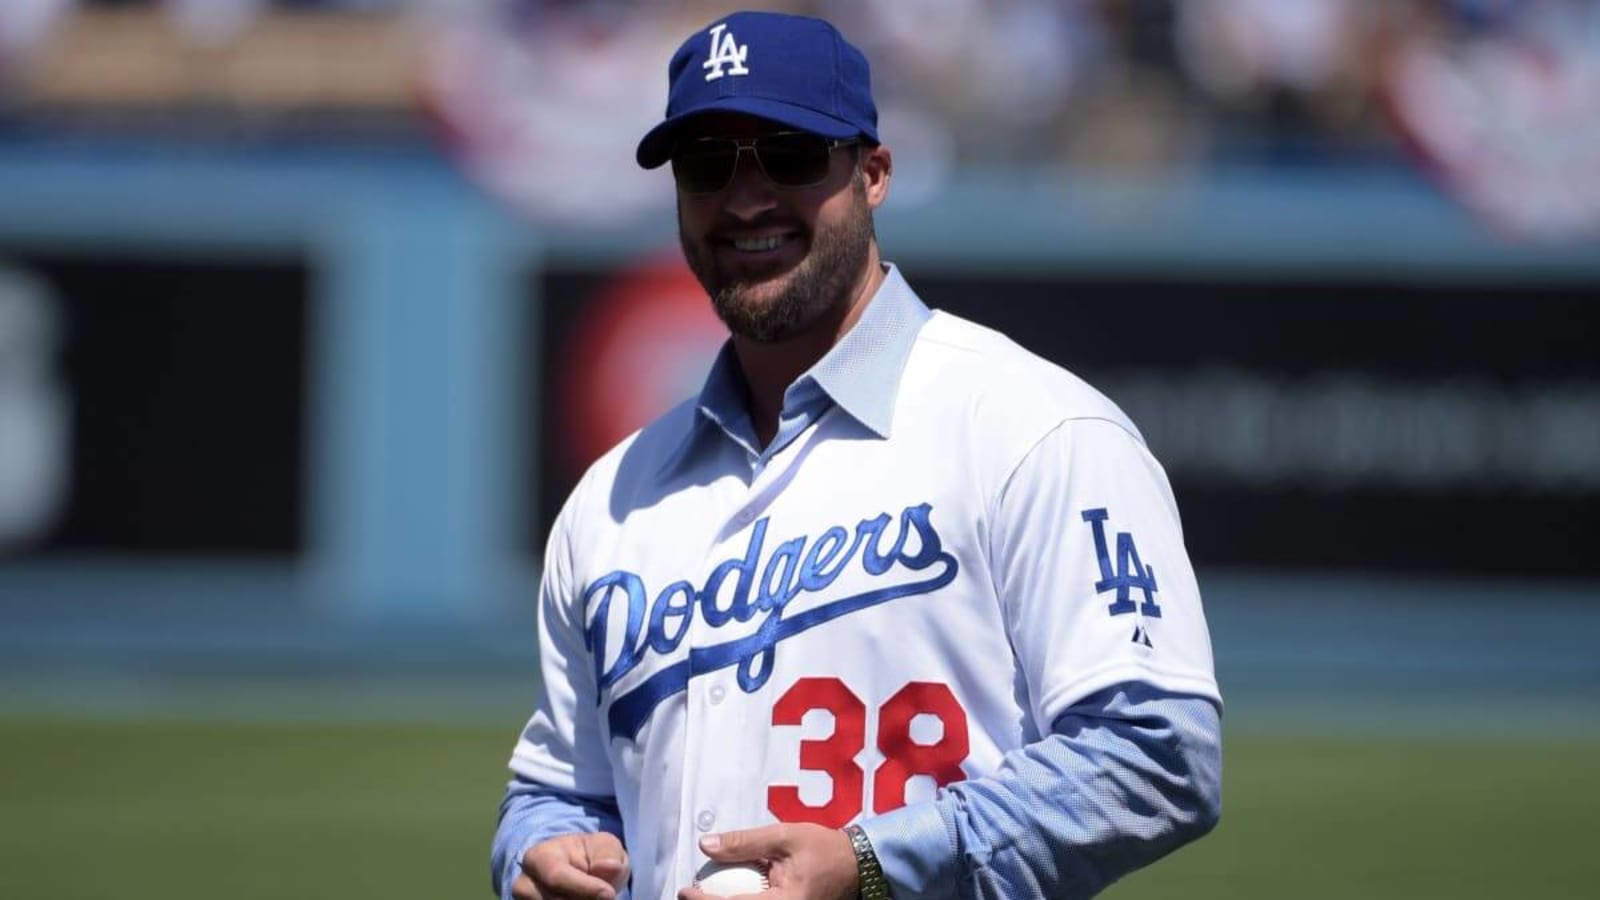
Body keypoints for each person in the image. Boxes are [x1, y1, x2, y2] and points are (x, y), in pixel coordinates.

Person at [491, 11, 1222, 900]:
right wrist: (541, 850)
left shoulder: (1035, 429)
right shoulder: (614, 499)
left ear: (872, 173)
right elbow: (558, 789)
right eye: (707, 164)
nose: (745, 198)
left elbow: (1156, 753)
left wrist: (876, 862)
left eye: (790, 156)